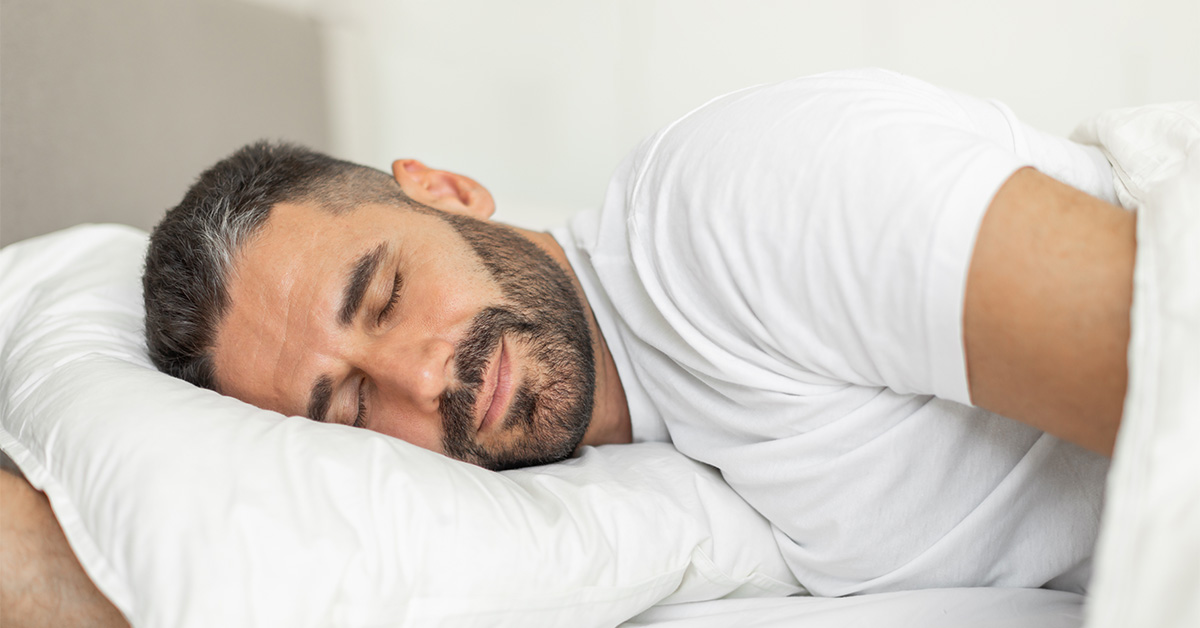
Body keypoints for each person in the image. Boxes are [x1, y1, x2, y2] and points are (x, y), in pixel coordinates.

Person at [1, 69, 1135, 623]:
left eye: (387, 293)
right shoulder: (650, 463)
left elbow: (1174, 353)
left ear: (445, 189)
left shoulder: (736, 210)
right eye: (345, 409)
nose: (419, 381)